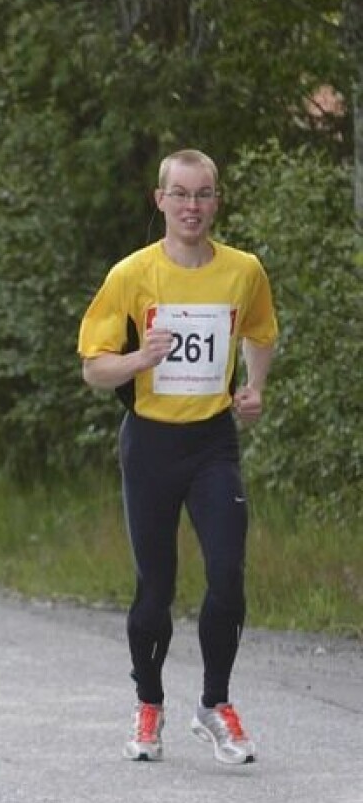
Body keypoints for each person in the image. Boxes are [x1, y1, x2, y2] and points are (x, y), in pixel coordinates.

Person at [77, 148, 278, 766]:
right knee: (155, 585)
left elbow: (261, 333)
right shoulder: (132, 274)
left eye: (204, 194)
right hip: (151, 443)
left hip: (213, 441)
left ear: (217, 201)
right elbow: (93, 368)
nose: (193, 206)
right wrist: (140, 358)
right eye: (182, 194)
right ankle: (149, 703)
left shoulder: (243, 271)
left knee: (228, 574)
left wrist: (254, 389)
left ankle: (214, 704)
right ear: (160, 199)